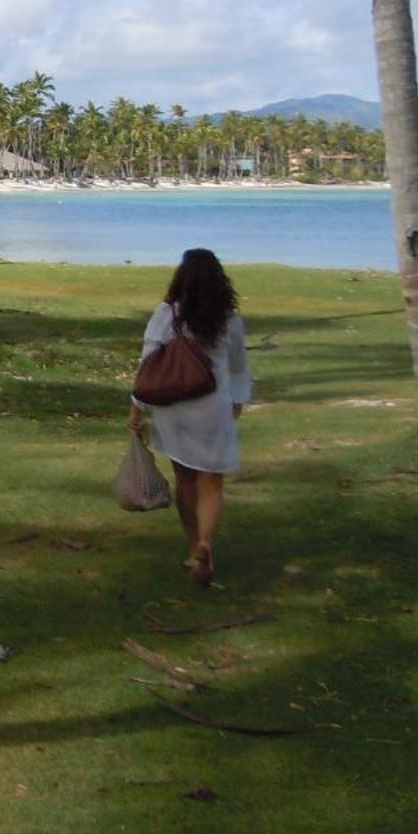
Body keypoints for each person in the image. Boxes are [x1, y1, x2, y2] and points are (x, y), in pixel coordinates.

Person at [128, 248, 252, 587]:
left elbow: (149, 365)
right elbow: (239, 367)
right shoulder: (229, 319)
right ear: (219, 281)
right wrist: (238, 400)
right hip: (213, 408)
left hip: (174, 407)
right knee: (211, 483)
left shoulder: (166, 315)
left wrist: (137, 408)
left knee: (185, 480)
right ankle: (206, 544)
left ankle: (191, 545)